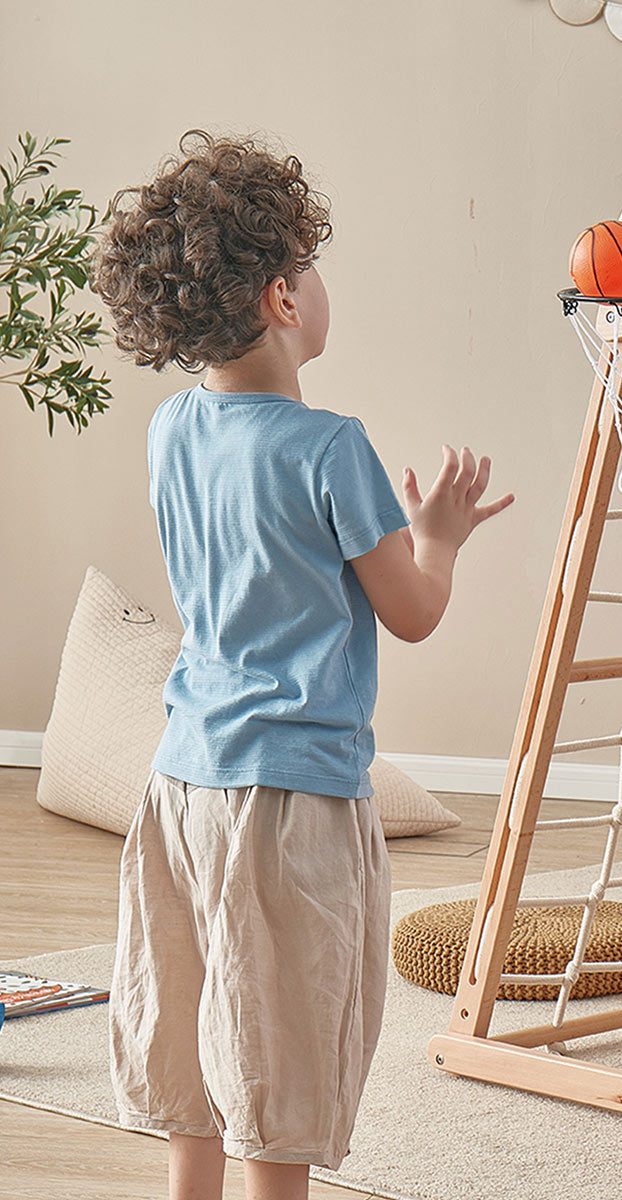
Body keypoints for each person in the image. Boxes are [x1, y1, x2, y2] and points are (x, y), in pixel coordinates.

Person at [87, 128, 513, 1200]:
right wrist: (441, 536)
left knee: (191, 1019)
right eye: (309, 269)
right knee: (281, 1037)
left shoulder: (172, 428)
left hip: (181, 783)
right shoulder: (332, 449)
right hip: (293, 802)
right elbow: (411, 612)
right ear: (282, 298)